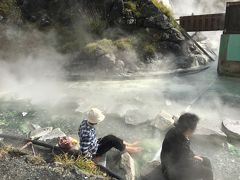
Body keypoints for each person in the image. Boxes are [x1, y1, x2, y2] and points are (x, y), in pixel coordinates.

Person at [160, 113, 213, 180]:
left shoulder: (173, 131)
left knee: (206, 161)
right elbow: (186, 162)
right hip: (170, 173)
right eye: (194, 128)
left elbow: (185, 154)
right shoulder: (181, 142)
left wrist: (193, 156)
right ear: (189, 129)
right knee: (207, 172)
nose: (194, 131)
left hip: (168, 166)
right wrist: (197, 161)